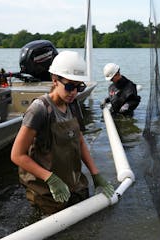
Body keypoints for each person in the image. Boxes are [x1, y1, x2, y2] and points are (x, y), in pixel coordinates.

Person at [11, 50, 114, 214]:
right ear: (54, 80)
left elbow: (79, 140)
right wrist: (50, 178)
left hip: (73, 183)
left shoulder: (73, 104)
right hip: (47, 191)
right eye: (69, 86)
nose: (73, 92)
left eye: (79, 87)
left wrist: (96, 174)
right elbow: (17, 155)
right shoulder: (39, 110)